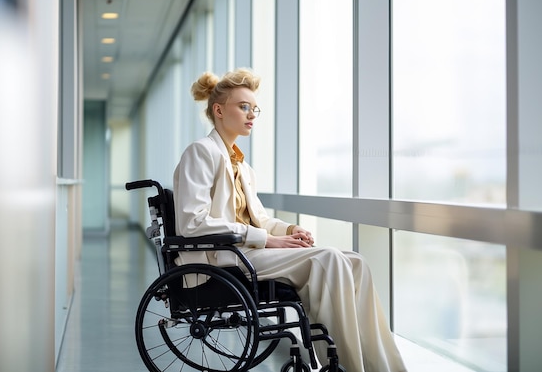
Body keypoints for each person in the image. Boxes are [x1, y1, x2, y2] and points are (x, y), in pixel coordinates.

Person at [173, 68, 407, 372]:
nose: (251, 114)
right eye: (243, 106)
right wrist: (267, 239)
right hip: (223, 259)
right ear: (219, 110)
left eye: (254, 108)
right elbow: (193, 223)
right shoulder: (201, 153)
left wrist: (288, 230)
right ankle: (348, 365)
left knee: (355, 263)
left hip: (247, 252)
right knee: (330, 259)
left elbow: (259, 218)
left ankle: (383, 365)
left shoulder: (241, 166)